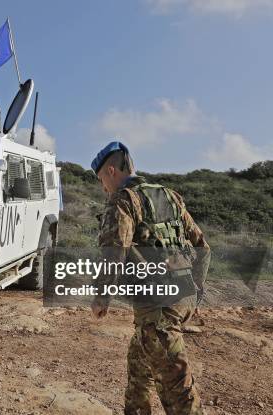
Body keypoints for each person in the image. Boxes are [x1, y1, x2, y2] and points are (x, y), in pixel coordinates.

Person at [90, 141, 211, 415]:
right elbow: (203, 247)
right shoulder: (170, 196)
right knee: (138, 368)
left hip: (158, 309)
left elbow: (114, 253)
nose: (103, 188)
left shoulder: (123, 201)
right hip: (182, 298)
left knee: (179, 394)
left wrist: (101, 297)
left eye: (101, 181)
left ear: (111, 171)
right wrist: (197, 291)